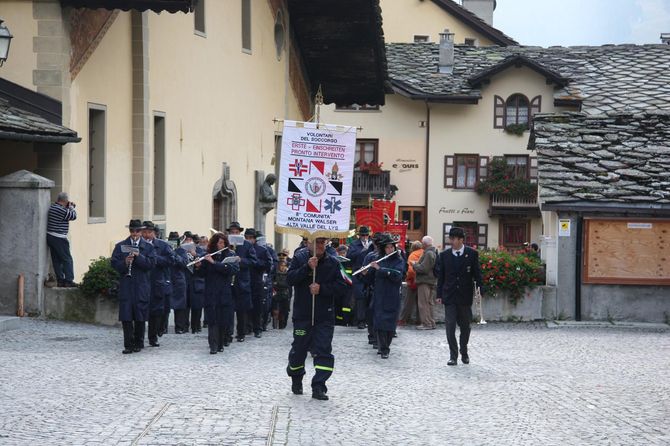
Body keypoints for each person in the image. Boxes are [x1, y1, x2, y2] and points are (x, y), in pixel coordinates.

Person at [286, 237, 349, 401]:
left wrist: (323, 289)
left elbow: (343, 286)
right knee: (299, 350)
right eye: (316, 242)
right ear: (308, 244)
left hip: (324, 316)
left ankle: (319, 386)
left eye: (322, 243)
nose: (319, 246)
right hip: (302, 314)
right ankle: (296, 377)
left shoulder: (333, 263)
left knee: (323, 350)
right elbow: (289, 278)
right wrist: (307, 268)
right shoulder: (299, 258)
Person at [434, 227, 483, 366]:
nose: (451, 241)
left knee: (465, 327)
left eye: (454, 239)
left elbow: (477, 273)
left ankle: (464, 351)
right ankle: (453, 356)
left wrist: (480, 290)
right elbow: (441, 277)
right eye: (450, 239)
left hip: (464, 296)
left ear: (461, 240)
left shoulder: (472, 254)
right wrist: (439, 294)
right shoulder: (444, 255)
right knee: (450, 327)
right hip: (449, 296)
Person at [110, 220, 155, 354]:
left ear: (141, 232)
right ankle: (128, 345)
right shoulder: (121, 246)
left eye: (137, 231)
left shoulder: (148, 247)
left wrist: (139, 256)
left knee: (140, 316)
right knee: (126, 316)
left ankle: (139, 343)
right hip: (127, 285)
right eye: (132, 231)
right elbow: (114, 263)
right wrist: (124, 262)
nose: (134, 234)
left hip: (141, 285)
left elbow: (151, 264)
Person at [362, 235, 404, 359]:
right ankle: (382, 347)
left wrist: (380, 269)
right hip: (379, 295)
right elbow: (370, 280)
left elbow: (397, 276)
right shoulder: (378, 259)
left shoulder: (399, 260)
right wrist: (365, 274)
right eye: (387, 247)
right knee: (379, 322)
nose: (390, 249)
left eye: (392, 247)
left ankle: (386, 346)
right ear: (383, 249)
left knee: (390, 324)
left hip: (392, 296)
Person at [201, 233, 239, 354]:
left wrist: (214, 263)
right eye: (218, 242)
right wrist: (198, 266)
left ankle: (221, 343)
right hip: (211, 292)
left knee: (223, 320)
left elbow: (231, 270)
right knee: (212, 320)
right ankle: (213, 345)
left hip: (224, 292)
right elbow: (202, 273)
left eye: (222, 243)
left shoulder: (230, 255)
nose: (220, 245)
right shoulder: (207, 256)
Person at [142, 221, 174, 347]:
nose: (146, 235)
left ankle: (154, 335)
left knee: (157, 312)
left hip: (157, 282)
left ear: (154, 233)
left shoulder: (162, 245)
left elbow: (171, 260)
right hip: (143, 282)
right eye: (144, 232)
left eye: (149, 232)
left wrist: (155, 258)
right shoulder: (139, 245)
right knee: (144, 311)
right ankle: (142, 337)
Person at [227, 221, 258, 342]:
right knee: (228, 309)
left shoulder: (247, 245)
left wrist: (241, 260)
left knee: (241, 310)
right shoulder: (225, 243)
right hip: (228, 281)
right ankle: (228, 334)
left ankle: (241, 333)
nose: (234, 234)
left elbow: (253, 261)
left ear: (240, 233)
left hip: (242, 281)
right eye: (232, 232)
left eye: (236, 232)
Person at [46, 192, 77, 287]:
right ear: (65, 200)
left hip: (50, 236)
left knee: (56, 260)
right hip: (59, 238)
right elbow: (73, 216)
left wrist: (67, 207)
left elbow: (65, 215)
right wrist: (71, 207)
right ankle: (68, 281)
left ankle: (60, 280)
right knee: (67, 259)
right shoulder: (61, 210)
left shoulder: (53, 207)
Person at [245, 228, 271, 338]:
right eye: (247, 238)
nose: (249, 240)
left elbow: (268, 264)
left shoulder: (261, 250)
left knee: (257, 306)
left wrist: (255, 263)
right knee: (245, 306)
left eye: (251, 238)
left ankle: (257, 328)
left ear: (255, 239)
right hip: (245, 280)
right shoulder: (242, 248)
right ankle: (247, 327)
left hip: (257, 280)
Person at [346, 226, 372, 329]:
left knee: (369, 296)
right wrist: (362, 250)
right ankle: (360, 321)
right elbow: (349, 257)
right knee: (360, 296)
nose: (365, 237)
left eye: (366, 235)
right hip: (357, 273)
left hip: (369, 272)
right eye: (363, 235)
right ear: (359, 235)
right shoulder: (354, 244)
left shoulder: (372, 243)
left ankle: (368, 320)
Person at [413, 235, 438, 330]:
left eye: (422, 243)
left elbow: (424, 269)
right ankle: (431, 322)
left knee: (423, 303)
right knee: (429, 303)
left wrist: (415, 265)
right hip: (430, 281)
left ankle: (426, 323)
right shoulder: (433, 252)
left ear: (425, 244)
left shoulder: (428, 253)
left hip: (425, 281)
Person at [172, 236, 194, 334]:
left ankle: (179, 326)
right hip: (168, 278)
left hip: (178, 280)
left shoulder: (181, 250)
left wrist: (174, 255)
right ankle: (161, 327)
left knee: (179, 304)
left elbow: (184, 262)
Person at [399, 240, 423, 325]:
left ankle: (403, 319)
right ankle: (419, 320)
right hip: (422, 281)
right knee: (420, 302)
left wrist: (408, 279)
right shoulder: (424, 253)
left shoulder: (413, 255)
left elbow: (411, 270)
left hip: (413, 281)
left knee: (408, 302)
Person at [272, 259, 291, 329]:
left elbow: (288, 284)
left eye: (284, 266)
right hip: (276, 294)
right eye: (281, 266)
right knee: (275, 311)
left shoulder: (288, 274)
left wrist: (278, 284)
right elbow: (272, 283)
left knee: (284, 312)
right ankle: (275, 327)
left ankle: (282, 326)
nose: (282, 267)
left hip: (285, 294)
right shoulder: (275, 274)